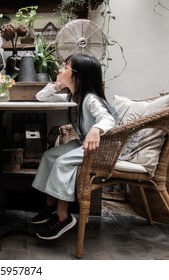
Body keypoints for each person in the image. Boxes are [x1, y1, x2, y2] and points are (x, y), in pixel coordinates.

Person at [31, 53, 117, 240]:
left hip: (98, 147)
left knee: (62, 162)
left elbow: (108, 119)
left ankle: (63, 216)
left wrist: (95, 130)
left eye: (65, 67)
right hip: (82, 143)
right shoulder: (72, 97)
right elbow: (40, 97)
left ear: (79, 76)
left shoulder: (90, 99)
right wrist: (57, 85)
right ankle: (50, 205)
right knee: (49, 156)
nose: (60, 70)